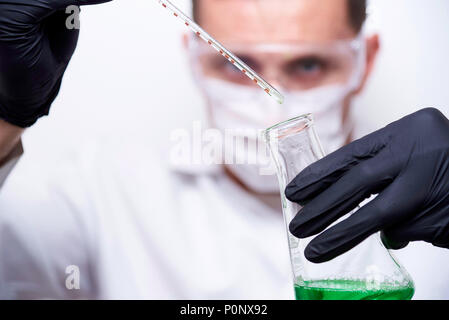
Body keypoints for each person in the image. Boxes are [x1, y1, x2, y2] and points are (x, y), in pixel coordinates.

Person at [0, 0, 447, 299]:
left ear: (364, 62)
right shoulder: (97, 194)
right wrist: (4, 117)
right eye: (237, 65)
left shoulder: (434, 201)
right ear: (194, 58)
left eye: (309, 64)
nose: (272, 99)